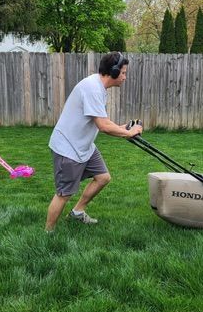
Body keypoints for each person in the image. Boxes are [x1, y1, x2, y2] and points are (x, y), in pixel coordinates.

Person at [45, 52, 143, 232]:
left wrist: (123, 129)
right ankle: (48, 233)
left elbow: (101, 120)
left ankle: (77, 212)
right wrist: (128, 134)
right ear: (113, 72)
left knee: (103, 178)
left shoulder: (98, 88)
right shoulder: (92, 88)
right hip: (68, 147)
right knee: (64, 194)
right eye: (123, 72)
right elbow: (104, 126)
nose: (124, 77)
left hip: (85, 146)